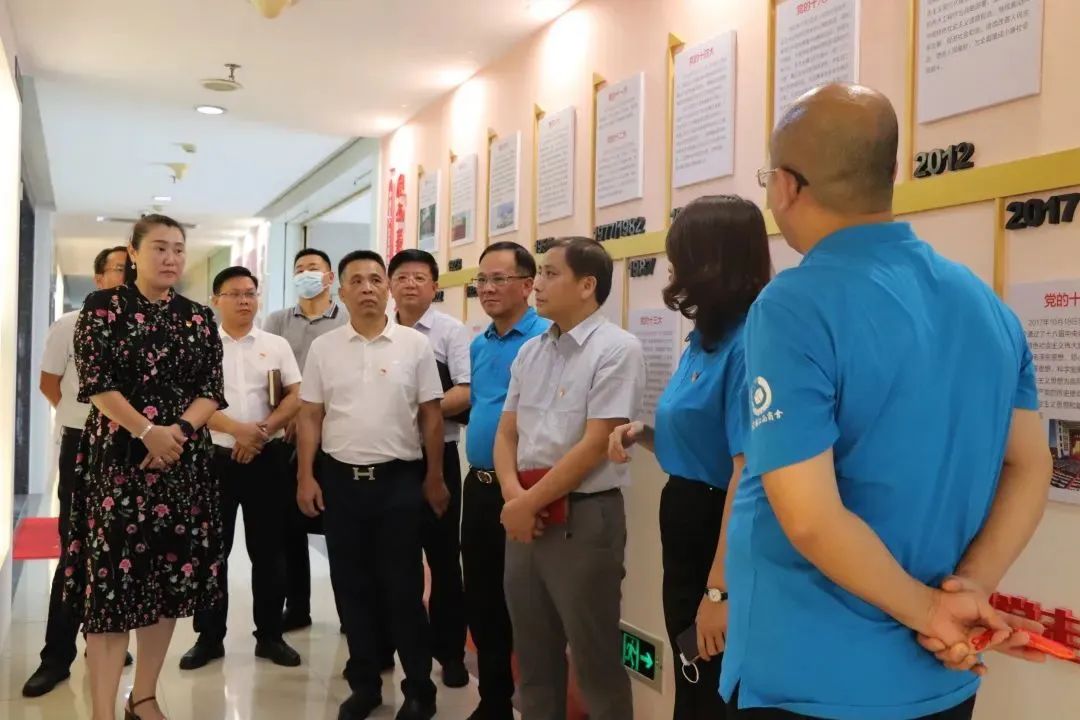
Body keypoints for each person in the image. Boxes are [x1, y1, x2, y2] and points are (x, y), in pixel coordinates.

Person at [720, 83, 1052, 720]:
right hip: (940, 671)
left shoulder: (794, 305)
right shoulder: (985, 305)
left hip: (814, 675)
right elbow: (1031, 465)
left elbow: (810, 517)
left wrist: (932, 609)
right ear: (889, 175)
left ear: (785, 187)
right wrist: (968, 591)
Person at [608, 196, 771, 720]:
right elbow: (700, 444)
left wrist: (719, 592)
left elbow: (746, 473)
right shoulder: (703, 339)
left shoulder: (748, 344)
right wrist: (644, 434)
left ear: (711, 261)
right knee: (690, 668)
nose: (673, 269)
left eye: (681, 256)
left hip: (717, 528)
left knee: (712, 675)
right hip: (684, 514)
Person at [62, 214, 226, 720]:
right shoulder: (102, 308)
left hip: (181, 463)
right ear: (133, 252)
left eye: (178, 248)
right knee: (111, 588)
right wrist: (147, 431)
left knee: (167, 582)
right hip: (117, 462)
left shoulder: (198, 317)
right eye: (159, 247)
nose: (171, 257)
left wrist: (176, 432)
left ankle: (145, 696)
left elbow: (211, 390)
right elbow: (97, 384)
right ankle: (103, 711)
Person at [495, 236, 646, 720]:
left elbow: (596, 443)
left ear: (587, 285)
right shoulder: (531, 351)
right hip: (526, 520)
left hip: (584, 518)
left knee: (595, 661)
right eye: (538, 273)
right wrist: (514, 498)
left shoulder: (617, 349)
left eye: (549, 273)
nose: (536, 284)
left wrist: (525, 503)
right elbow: (506, 433)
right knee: (533, 659)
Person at [297, 249, 447, 720]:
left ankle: (419, 689)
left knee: (403, 589)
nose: (367, 288)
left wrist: (435, 477)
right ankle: (365, 685)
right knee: (351, 588)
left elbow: (431, 416)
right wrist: (306, 475)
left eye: (375, 279)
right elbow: (310, 415)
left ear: (387, 288)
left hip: (398, 482)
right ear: (340, 292)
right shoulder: (324, 348)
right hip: (341, 482)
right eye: (356, 280)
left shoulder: (414, 345)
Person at [179, 266, 303, 670]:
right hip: (213, 459)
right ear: (215, 300)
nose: (244, 300)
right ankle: (209, 638)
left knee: (270, 551)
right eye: (234, 294)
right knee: (212, 552)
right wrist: (238, 431)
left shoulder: (275, 345)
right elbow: (189, 403)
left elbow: (295, 395)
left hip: (267, 458)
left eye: (250, 293)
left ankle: (270, 636)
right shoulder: (199, 345)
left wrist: (261, 432)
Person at [22, 245, 132, 698]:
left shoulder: (144, 327)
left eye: (132, 270)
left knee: (122, 549)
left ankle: (104, 641)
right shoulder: (70, 324)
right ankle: (55, 656)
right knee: (75, 550)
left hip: (130, 446)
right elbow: (49, 383)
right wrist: (77, 420)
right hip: (83, 446)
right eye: (120, 270)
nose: (127, 278)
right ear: (99, 277)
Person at [462, 240, 549, 720]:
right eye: (482, 279)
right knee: (482, 597)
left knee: (527, 603)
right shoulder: (480, 344)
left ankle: (533, 704)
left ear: (527, 284)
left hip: (526, 489)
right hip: (479, 485)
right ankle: (493, 700)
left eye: (499, 279)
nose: (488, 288)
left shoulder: (546, 340)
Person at [388, 248, 471, 689]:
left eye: (420, 277)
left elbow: (466, 390)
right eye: (402, 276)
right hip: (389, 461)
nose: (410, 284)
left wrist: (418, 413)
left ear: (435, 286)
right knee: (395, 561)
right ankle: (397, 647)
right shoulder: (378, 328)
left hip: (438, 458)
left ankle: (451, 653)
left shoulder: (450, 331)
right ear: (390, 284)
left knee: (443, 560)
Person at [263, 247, 349, 633]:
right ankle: (297, 607)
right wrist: (286, 416)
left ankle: (350, 612)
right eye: (299, 269)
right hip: (286, 438)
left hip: (334, 439)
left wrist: (311, 415)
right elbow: (269, 377)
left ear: (329, 277)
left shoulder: (346, 320)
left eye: (313, 268)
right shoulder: (277, 321)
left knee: (341, 529)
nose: (305, 275)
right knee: (288, 529)